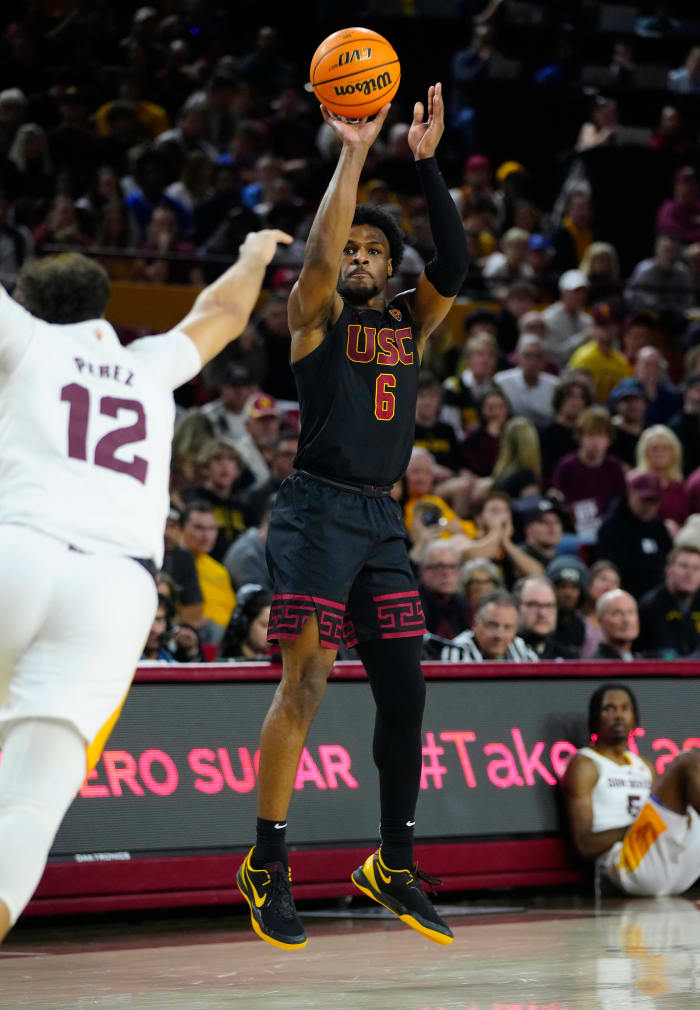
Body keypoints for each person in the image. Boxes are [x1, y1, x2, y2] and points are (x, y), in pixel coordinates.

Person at [0, 227, 292, 943]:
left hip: (23, 546)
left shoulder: (29, 341)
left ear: (32, 307)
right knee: (29, 808)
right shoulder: (148, 366)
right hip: (117, 591)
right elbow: (222, 314)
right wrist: (254, 254)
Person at [236, 84, 468, 951]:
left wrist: (428, 161)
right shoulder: (317, 316)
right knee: (306, 684)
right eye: (357, 247)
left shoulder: (411, 321)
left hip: (381, 520)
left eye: (379, 248)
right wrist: (356, 151)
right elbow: (322, 259)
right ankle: (267, 863)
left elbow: (454, 263)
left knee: (405, 689)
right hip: (316, 511)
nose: (364, 256)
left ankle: (392, 863)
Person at [562, 683, 700, 896]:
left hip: (672, 869)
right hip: (627, 864)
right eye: (609, 709)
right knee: (686, 762)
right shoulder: (585, 764)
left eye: (625, 709)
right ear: (594, 719)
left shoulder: (643, 766)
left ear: (635, 718)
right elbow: (584, 845)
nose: (618, 715)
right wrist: (638, 827)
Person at [596, 471, 674, 600]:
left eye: (654, 501)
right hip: (628, 593)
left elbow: (670, 559)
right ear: (630, 494)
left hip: (661, 593)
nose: (649, 506)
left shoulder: (658, 526)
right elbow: (608, 567)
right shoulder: (612, 526)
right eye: (644, 500)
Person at [636, 545, 700, 658]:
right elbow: (667, 656)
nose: (690, 573)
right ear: (669, 570)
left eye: (696, 568)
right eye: (684, 566)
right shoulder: (651, 606)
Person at [441, 589, 537, 661]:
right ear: (475, 623)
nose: (499, 635)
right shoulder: (457, 652)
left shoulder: (520, 648)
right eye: (492, 625)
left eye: (507, 627)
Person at [567, 303, 632, 405]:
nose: (606, 330)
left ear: (617, 328)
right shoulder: (584, 357)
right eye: (601, 325)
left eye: (610, 325)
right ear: (593, 327)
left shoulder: (621, 361)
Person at [493, 333, 558, 426]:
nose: (533, 361)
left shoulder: (555, 385)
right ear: (518, 357)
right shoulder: (501, 381)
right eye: (528, 355)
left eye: (538, 356)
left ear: (545, 360)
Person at [418, 540, 469, 642]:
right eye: (439, 566)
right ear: (423, 571)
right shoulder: (414, 605)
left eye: (452, 566)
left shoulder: (463, 604)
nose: (447, 573)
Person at [515, 575, 577, 659]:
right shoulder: (502, 653)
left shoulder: (568, 659)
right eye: (533, 605)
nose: (542, 613)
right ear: (516, 607)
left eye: (549, 606)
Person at [541, 269, 593, 368]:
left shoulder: (588, 321)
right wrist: (584, 337)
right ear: (563, 291)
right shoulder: (548, 318)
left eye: (583, 292)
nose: (581, 296)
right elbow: (556, 356)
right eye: (576, 291)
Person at [546, 555, 589, 657]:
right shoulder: (542, 619)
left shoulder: (580, 625)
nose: (568, 593)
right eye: (562, 586)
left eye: (574, 587)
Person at [218, 584, 273, 660]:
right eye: (264, 625)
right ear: (245, 624)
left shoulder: (279, 660)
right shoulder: (227, 665)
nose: (273, 635)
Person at [581, 560, 621, 659]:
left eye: (614, 582)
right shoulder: (577, 619)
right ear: (590, 582)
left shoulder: (623, 622)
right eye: (603, 579)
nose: (609, 586)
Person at [593, 589, 640, 660]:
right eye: (617, 614)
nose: (626, 620)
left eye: (631, 612)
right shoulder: (597, 665)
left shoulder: (642, 659)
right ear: (600, 621)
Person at [141, 594, 177, 662]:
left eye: (159, 620)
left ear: (168, 625)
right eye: (146, 620)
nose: (153, 629)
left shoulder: (174, 666)